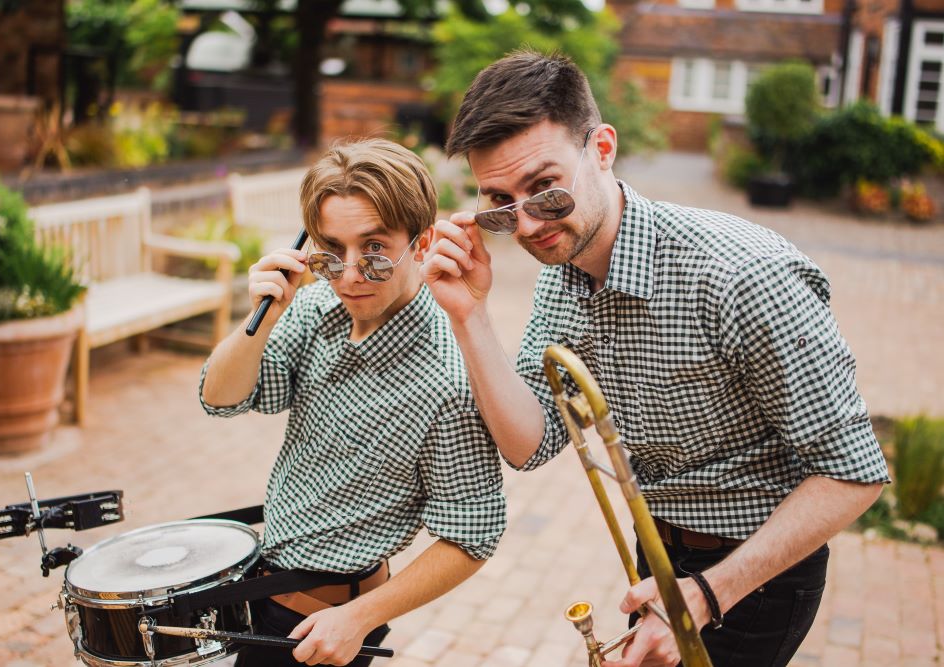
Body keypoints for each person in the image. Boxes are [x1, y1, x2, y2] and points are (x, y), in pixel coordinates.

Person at [421, 51, 889, 667]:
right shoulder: (562, 274)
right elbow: (528, 444)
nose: (529, 225)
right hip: (660, 558)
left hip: (755, 575)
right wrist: (469, 315)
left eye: (546, 191)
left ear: (602, 149)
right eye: (501, 206)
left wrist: (706, 595)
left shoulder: (743, 275)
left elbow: (853, 473)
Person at [200, 138, 506, 667]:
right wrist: (262, 318)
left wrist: (359, 618)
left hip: (323, 622)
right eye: (331, 250)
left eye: (375, 249)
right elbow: (221, 399)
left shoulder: (450, 379)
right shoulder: (315, 303)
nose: (349, 275)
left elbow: (472, 534)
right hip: (262, 585)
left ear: (422, 242)